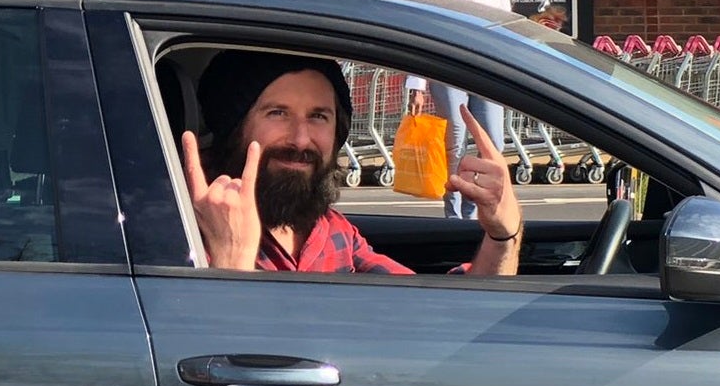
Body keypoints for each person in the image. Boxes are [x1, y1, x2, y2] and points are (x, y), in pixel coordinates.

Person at [182, 49, 521, 275]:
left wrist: (503, 235)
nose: (301, 139)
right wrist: (231, 260)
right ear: (234, 127)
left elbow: (440, 316)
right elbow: (200, 369)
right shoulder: (178, 232)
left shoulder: (329, 229)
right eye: (278, 113)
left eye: (318, 116)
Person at [404, 0, 513, 220]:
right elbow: (422, 36)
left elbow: (508, 33)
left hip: (487, 74)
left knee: (493, 143)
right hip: (449, 72)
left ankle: (474, 208)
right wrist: (417, 85)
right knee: (454, 142)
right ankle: (453, 214)